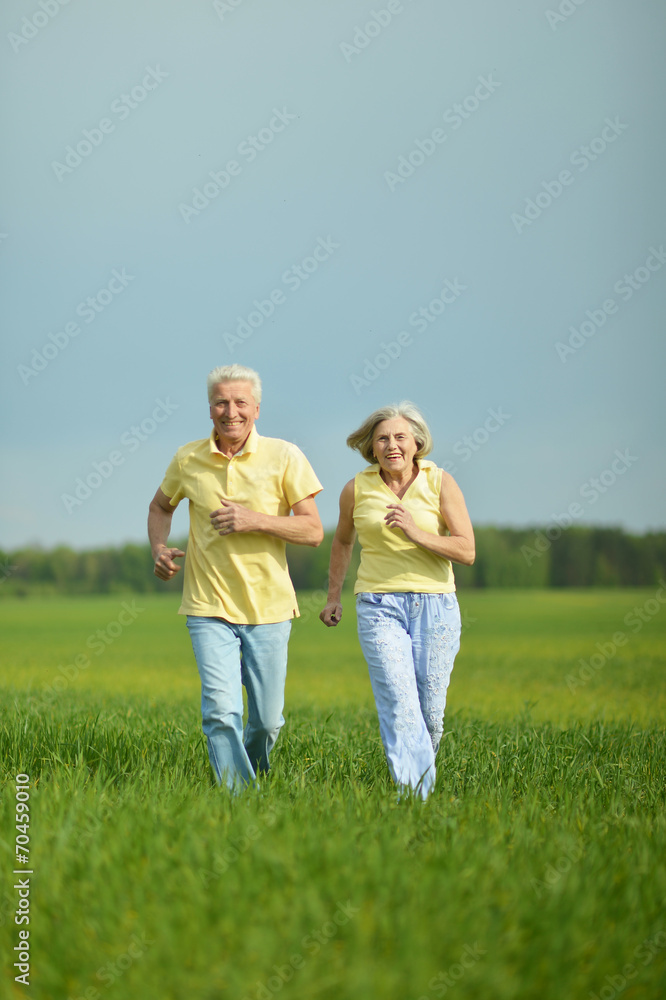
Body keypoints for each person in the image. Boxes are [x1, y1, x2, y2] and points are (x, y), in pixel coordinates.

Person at [148, 364, 323, 790]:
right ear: (210, 408)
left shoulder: (285, 456)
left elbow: (313, 531)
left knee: (267, 720)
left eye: (240, 402)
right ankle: (239, 798)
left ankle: (254, 774)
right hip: (208, 607)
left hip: (269, 608)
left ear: (256, 408)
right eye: (222, 402)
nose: (231, 411)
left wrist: (254, 520)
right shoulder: (188, 458)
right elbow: (160, 507)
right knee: (221, 711)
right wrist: (158, 548)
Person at [319, 402, 474, 799]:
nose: (392, 445)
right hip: (378, 605)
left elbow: (466, 550)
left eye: (400, 437)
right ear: (371, 447)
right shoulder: (357, 488)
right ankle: (414, 797)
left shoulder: (441, 482)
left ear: (417, 442)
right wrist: (334, 595)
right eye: (383, 438)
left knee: (431, 714)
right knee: (400, 702)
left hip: (436, 606)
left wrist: (415, 531)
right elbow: (342, 540)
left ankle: (418, 779)